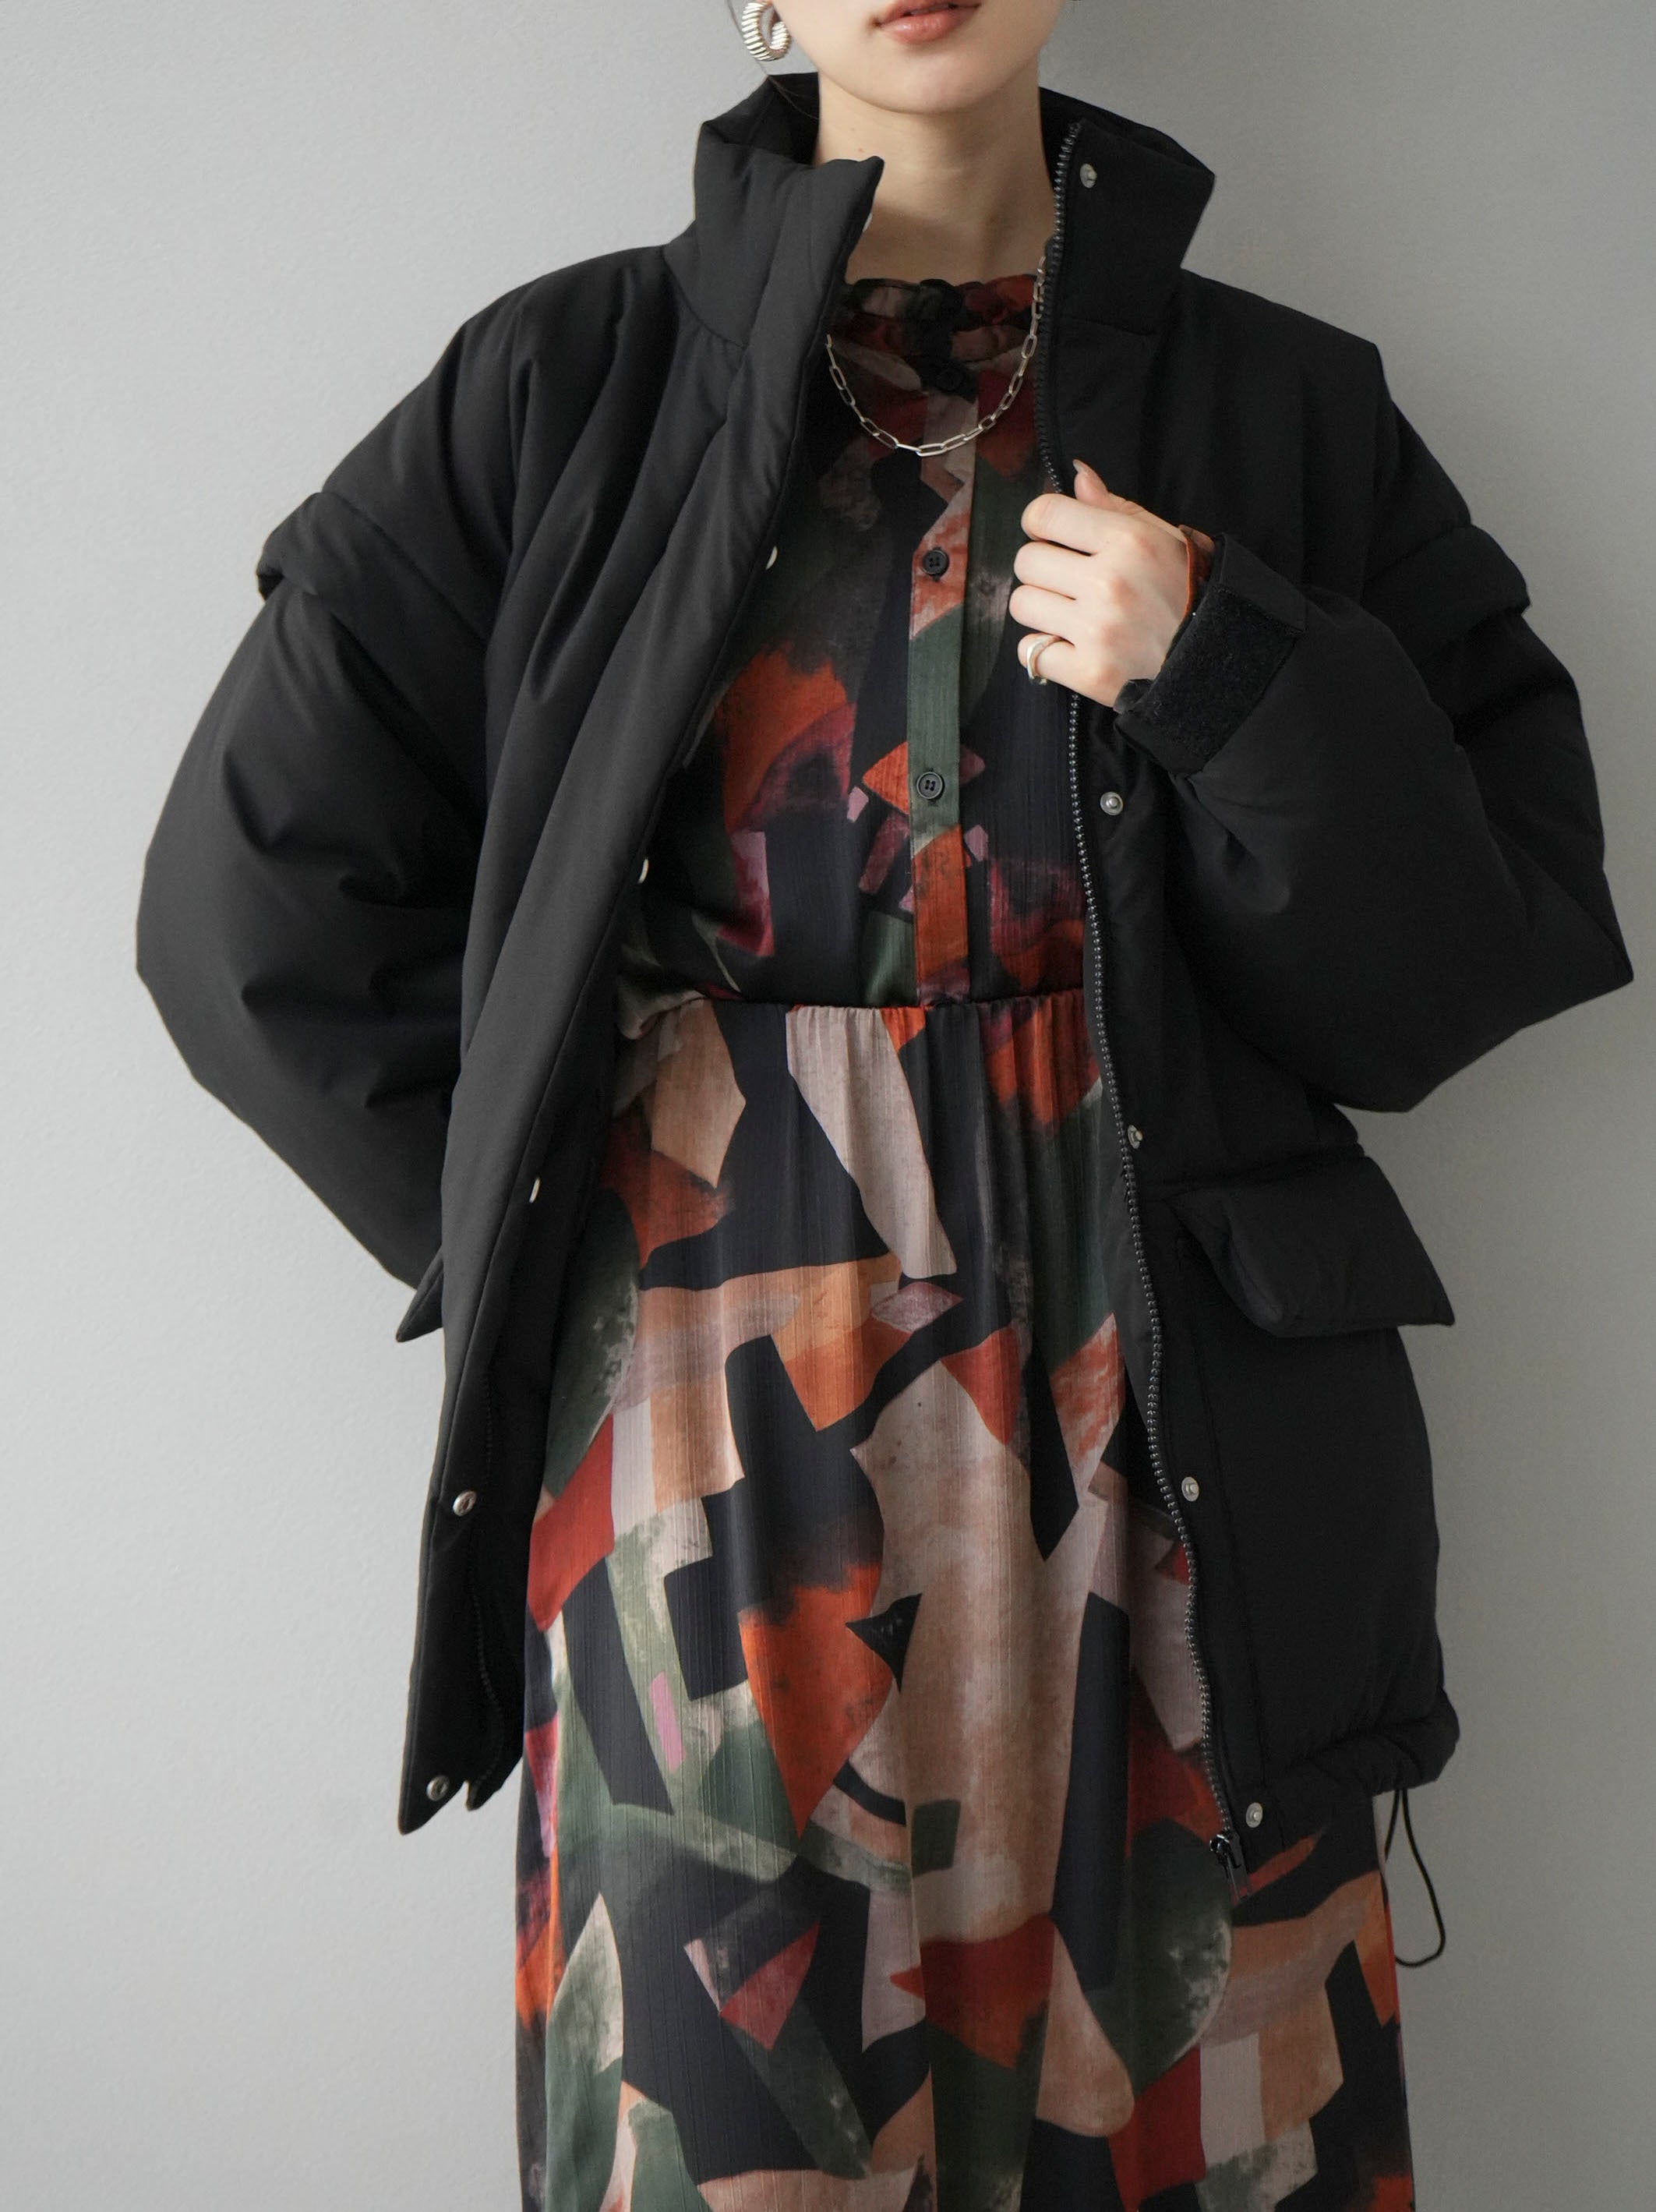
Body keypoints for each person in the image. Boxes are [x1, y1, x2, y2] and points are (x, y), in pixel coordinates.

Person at [135, 2, 1633, 2204]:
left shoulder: (1284, 411)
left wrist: (1227, 666)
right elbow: (249, 906)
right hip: (705, 1452)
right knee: (737, 2124)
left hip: (1186, 1441)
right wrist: (565, 1232)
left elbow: (1470, 953)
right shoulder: (563, 390)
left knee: (1195, 2123)